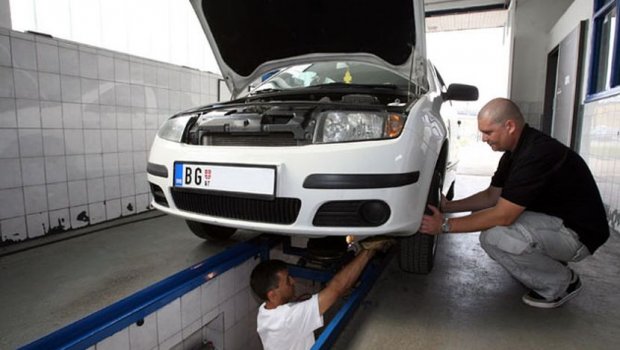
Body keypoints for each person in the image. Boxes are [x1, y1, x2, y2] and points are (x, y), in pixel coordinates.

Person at [420, 97, 609, 308]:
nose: (483, 138)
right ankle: (549, 264)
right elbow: (492, 196)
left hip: (579, 235)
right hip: (557, 222)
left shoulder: (537, 154)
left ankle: (562, 284)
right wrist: (448, 207)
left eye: (488, 132)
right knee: (481, 218)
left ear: (509, 126)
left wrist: (445, 226)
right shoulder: (514, 153)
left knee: (495, 236)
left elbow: (504, 215)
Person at [250, 238, 390, 350]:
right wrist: (368, 251)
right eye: (287, 280)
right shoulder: (286, 319)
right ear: (272, 295)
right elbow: (337, 288)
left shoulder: (264, 312)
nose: (293, 281)